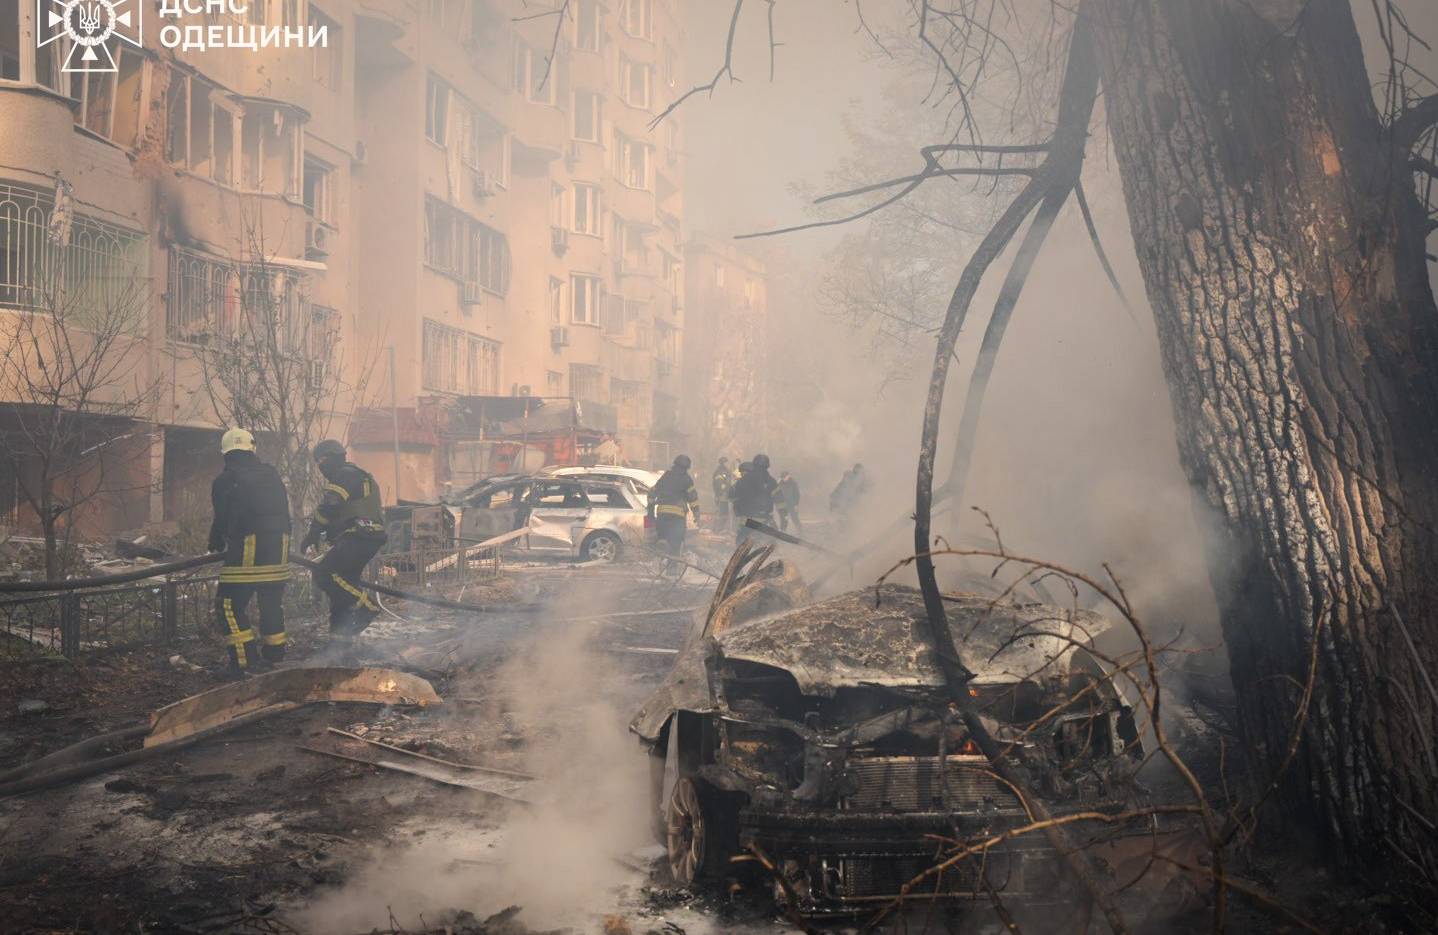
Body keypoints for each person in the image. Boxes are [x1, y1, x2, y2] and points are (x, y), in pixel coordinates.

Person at [208, 428, 291, 676]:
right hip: (281, 547)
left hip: (249, 547)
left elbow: (222, 517)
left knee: (228, 604)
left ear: (226, 453)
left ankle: (244, 664)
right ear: (251, 449)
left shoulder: (225, 480)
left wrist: (215, 539)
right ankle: (274, 656)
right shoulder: (271, 473)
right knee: (271, 602)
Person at [299, 440, 388, 642]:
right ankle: (340, 642)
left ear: (328, 459)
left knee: (325, 573)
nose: (321, 467)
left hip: (360, 537)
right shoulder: (354, 475)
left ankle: (367, 607)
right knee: (343, 587)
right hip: (362, 537)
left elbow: (329, 506)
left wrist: (313, 533)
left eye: (321, 462)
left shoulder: (345, 475)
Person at [649, 454, 701, 561]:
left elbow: (652, 492)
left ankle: (662, 542)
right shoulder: (687, 479)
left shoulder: (666, 476)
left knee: (663, 539)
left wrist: (650, 510)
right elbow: (693, 499)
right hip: (677, 517)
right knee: (676, 545)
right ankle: (672, 570)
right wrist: (697, 514)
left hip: (662, 515)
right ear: (687, 468)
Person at [731, 453, 779, 544]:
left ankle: (741, 556)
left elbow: (732, 495)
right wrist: (784, 519)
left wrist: (737, 509)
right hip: (765, 519)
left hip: (747, 520)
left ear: (754, 464)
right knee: (769, 543)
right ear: (768, 466)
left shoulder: (744, 479)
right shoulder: (772, 481)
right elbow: (781, 502)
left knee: (741, 542)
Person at [711, 457, 734, 531]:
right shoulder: (722, 472)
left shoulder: (723, 471)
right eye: (726, 462)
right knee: (722, 512)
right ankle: (718, 528)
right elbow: (719, 484)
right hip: (722, 495)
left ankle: (719, 528)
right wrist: (722, 491)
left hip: (722, 495)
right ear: (723, 463)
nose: (728, 464)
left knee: (722, 512)